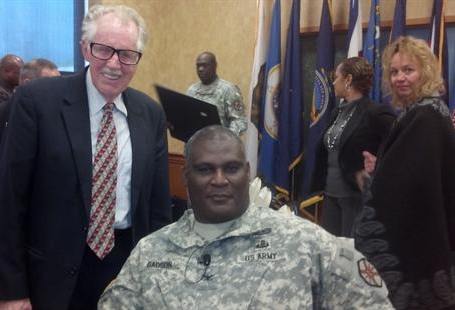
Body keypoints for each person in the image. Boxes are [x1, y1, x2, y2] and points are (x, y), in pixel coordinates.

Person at [0, 5, 172, 310]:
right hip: (50, 273)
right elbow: (9, 199)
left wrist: (158, 276)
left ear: (137, 59)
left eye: (127, 54)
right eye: (103, 50)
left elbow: (157, 209)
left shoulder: (150, 114)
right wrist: (12, 290)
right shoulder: (37, 102)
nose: (115, 63)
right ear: (85, 49)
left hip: (126, 268)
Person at [99, 125, 393, 309]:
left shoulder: (304, 243)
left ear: (248, 172)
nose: (219, 180)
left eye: (231, 168)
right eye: (205, 170)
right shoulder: (151, 252)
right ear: (185, 176)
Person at [353, 36, 455, 309]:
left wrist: (379, 175)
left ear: (426, 72)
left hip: (416, 237)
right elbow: (411, 169)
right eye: (394, 71)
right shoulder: (420, 112)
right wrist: (382, 166)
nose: (400, 78)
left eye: (408, 70)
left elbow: (405, 185)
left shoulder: (425, 116)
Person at [0, 58, 60, 310]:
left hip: (44, 234)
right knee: (5, 300)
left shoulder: (55, 123)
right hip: (1, 232)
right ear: (26, 84)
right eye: (50, 85)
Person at [310, 57, 395, 237]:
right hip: (330, 193)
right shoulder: (336, 111)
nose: (333, 82)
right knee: (332, 251)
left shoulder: (376, 113)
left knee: (352, 255)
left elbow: (396, 149)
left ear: (348, 80)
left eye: (337, 77)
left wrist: (376, 167)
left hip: (355, 197)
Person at [187, 52, 247, 136]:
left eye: (205, 65)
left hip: (218, 146)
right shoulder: (191, 90)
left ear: (215, 66)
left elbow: (240, 121)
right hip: (193, 145)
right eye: (198, 66)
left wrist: (224, 139)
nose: (200, 69)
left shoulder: (229, 90)